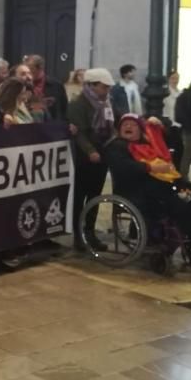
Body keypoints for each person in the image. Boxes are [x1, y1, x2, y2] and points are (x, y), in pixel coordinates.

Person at [106, 114, 191, 260]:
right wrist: (150, 167)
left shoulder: (147, 145)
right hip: (135, 190)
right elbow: (124, 167)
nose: (128, 127)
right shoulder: (116, 146)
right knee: (180, 205)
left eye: (133, 125)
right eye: (125, 125)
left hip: (157, 186)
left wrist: (159, 127)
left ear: (140, 130)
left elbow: (170, 145)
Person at [68, 68, 116, 251]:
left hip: (102, 154)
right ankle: (78, 235)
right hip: (83, 157)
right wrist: (89, 150)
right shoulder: (78, 104)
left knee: (94, 196)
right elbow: (78, 131)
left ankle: (90, 231)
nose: (107, 91)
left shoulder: (106, 104)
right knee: (80, 196)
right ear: (92, 85)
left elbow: (113, 123)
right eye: (104, 87)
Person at [26, 55, 68, 122]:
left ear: (40, 68)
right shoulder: (23, 85)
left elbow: (64, 108)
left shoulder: (56, 85)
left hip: (52, 126)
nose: (28, 73)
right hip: (29, 126)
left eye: (30, 69)